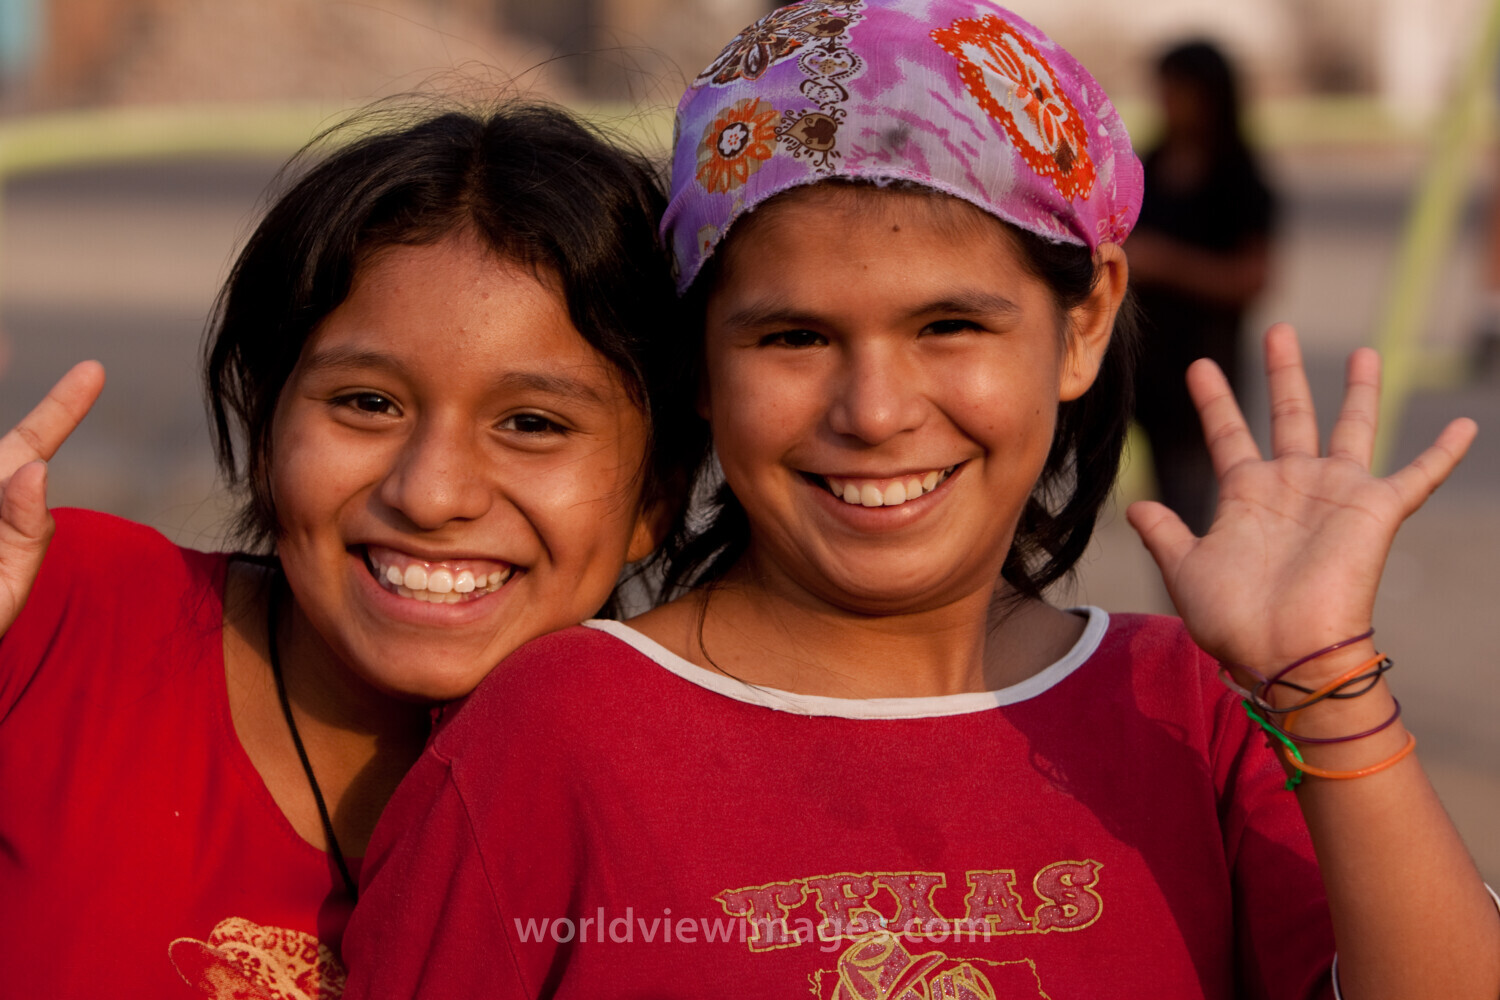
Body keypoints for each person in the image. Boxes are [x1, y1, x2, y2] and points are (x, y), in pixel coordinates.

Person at [344, 4, 1500, 998]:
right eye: (793, 336)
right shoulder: (554, 733)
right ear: (701, 361)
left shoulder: (1185, 713)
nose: (876, 410)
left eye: (951, 326)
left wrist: (1326, 676)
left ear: (1084, 321)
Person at [0, 101, 695, 998]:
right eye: (368, 404)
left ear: (658, 496)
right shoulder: (56, 619)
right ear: (263, 435)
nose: (431, 492)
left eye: (531, 423)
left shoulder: (693, 808)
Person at [1130, 40, 1276, 534]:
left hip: (1201, 371)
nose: (1168, 101)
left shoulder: (1238, 177)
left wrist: (1166, 263)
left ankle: (1192, 613)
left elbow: (1253, 277)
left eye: (1179, 90)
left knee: (1190, 517)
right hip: (1138, 366)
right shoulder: (1148, 160)